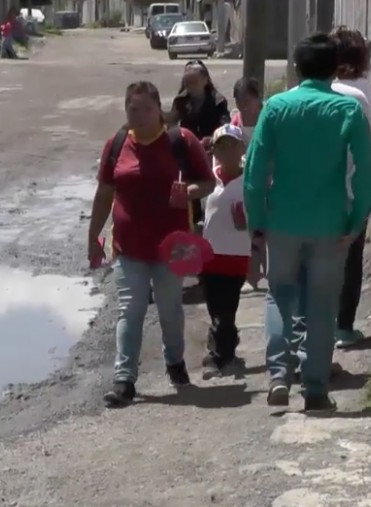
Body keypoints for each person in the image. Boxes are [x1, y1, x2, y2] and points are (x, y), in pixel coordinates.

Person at [243, 33, 371, 412]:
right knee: (322, 304)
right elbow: (365, 175)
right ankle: (316, 389)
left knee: (279, 295)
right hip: (330, 223)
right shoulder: (348, 110)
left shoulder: (276, 108)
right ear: (335, 69)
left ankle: (278, 375)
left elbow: (254, 174)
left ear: (297, 69)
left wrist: (257, 226)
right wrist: (356, 221)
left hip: (282, 221)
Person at [89, 81, 216, 407]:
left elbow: (207, 182)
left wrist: (188, 192)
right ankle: (124, 379)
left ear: (159, 109)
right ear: (125, 110)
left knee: (170, 310)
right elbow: (104, 194)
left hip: (172, 247)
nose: (140, 115)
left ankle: (174, 361)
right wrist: (94, 239)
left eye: (147, 109)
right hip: (128, 248)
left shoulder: (180, 141)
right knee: (130, 309)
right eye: (133, 109)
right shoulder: (117, 145)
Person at [329, 26, 371, 348]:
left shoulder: (321, 89)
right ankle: (344, 328)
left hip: (320, 190)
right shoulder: (367, 92)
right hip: (356, 190)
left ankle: (316, 326)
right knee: (351, 259)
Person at [200, 124, 251, 379]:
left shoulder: (251, 181)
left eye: (233, 145)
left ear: (242, 149)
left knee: (227, 309)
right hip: (209, 257)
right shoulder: (209, 180)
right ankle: (223, 351)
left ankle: (219, 357)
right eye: (221, 146)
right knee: (214, 308)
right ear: (215, 152)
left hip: (237, 256)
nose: (227, 151)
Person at [169, 60, 230, 231]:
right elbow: (171, 123)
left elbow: (224, 124)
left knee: (214, 181)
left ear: (205, 80)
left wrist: (212, 138)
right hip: (187, 149)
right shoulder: (181, 101)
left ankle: (215, 213)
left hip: (211, 149)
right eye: (187, 82)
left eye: (194, 81)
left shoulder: (218, 101)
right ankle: (193, 216)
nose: (191, 86)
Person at [230, 77, 266, 291]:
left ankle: (267, 273)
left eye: (247, 101)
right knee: (249, 230)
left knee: (266, 230)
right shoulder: (234, 122)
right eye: (239, 102)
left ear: (257, 98)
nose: (243, 107)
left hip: (268, 181)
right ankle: (252, 276)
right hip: (245, 182)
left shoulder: (268, 117)